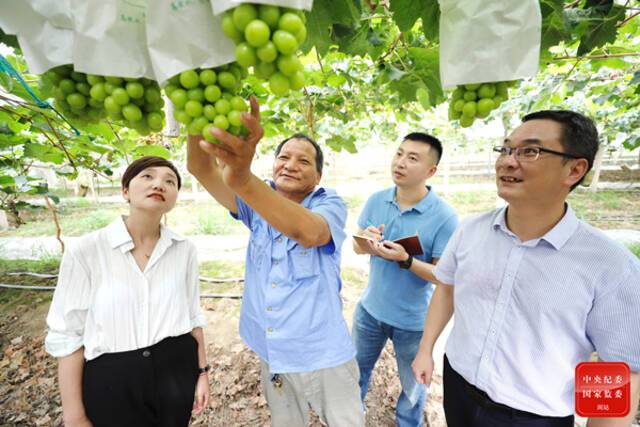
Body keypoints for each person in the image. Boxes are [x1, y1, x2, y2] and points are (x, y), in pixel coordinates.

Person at [411, 110, 640, 427]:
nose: (507, 161)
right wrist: (426, 350)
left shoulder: (611, 267)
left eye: (529, 151)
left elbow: (618, 370)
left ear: (574, 169)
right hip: (459, 386)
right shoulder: (471, 231)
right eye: (505, 149)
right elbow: (447, 286)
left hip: (534, 417)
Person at [186, 96, 364, 427]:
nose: (291, 165)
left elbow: (309, 232)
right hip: (273, 351)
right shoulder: (255, 205)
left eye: (303, 161)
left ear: (318, 176)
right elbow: (200, 168)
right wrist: (196, 109)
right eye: (283, 157)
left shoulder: (330, 203)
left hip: (321, 355)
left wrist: (239, 177)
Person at [45, 156, 209, 427]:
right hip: (113, 380)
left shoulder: (184, 249)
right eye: (148, 176)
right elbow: (68, 335)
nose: (159, 183)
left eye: (170, 181)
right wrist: (74, 415)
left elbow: (193, 316)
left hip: (175, 372)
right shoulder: (86, 251)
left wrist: (202, 372)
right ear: (125, 191)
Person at [352, 132, 458, 426]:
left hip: (413, 322)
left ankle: (407, 423)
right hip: (369, 312)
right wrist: (367, 241)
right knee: (354, 375)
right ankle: (349, 418)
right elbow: (356, 246)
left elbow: (442, 276)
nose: (400, 162)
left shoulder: (445, 217)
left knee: (413, 388)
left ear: (430, 171)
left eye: (413, 158)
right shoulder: (377, 200)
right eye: (399, 154)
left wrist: (407, 260)